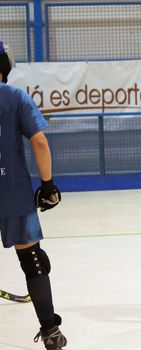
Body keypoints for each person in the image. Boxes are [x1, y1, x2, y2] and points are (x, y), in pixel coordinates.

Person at [0, 41, 67, 349]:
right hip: (12, 192)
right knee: (32, 260)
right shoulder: (15, 97)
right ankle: (51, 332)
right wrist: (48, 184)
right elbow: (39, 142)